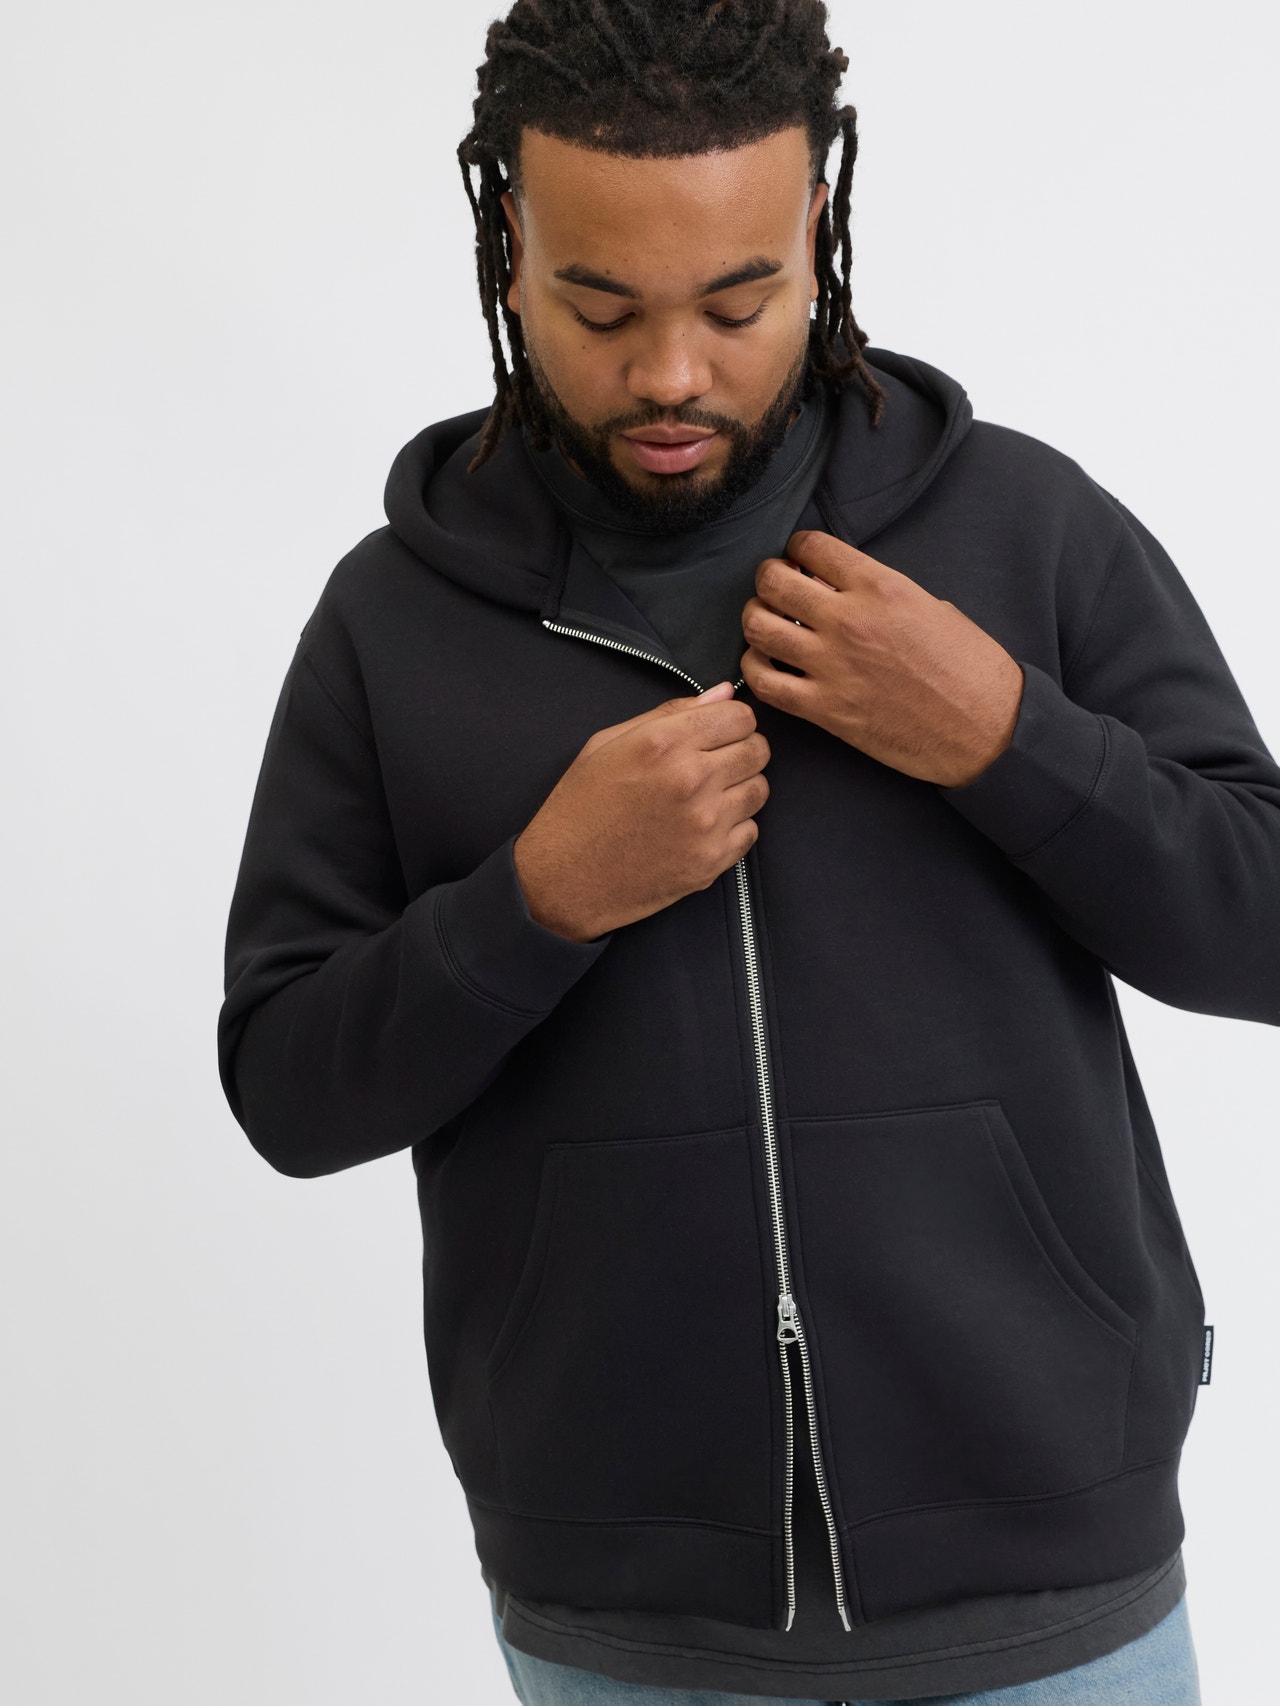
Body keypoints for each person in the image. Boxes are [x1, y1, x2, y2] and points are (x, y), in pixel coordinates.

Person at [215, 2, 1279, 1700]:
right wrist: (538, 900)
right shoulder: (392, 621)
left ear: (820, 232)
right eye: (601, 308)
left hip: (1053, 1582)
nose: (670, 375)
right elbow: (287, 1085)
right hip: (622, 1614)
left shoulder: (1025, 530)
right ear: (507, 245)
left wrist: (1005, 736)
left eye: (736, 303)